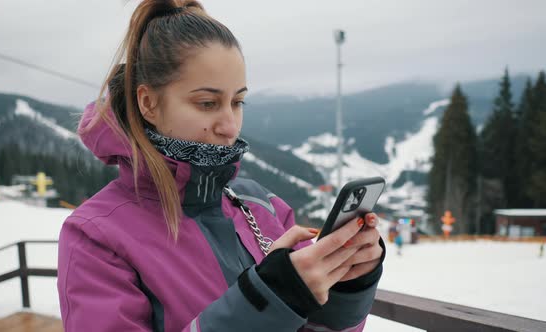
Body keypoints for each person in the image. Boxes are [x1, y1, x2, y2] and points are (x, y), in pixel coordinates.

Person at [57, 1, 386, 331]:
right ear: (149, 103)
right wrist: (267, 300)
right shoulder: (97, 236)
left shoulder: (264, 207)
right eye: (207, 103)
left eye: (237, 101)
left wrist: (347, 285)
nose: (230, 125)